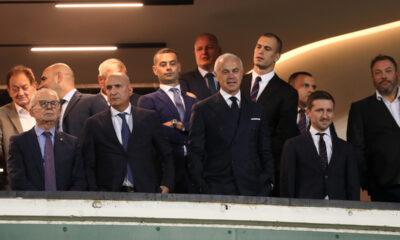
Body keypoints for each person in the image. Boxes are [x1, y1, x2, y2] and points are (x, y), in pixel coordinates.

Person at [188, 53, 274, 196]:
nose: (231, 76)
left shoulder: (257, 109)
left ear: (242, 74)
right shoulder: (202, 109)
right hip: (216, 189)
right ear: (216, 75)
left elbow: (265, 150)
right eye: (225, 71)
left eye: (235, 71)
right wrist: (202, 186)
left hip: (253, 188)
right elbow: (195, 152)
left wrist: (269, 182)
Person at [82, 72, 174, 193]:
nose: (113, 92)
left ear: (130, 90)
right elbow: (88, 163)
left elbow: (166, 154)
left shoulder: (149, 118)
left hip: (147, 192)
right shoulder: (93, 123)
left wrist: (166, 184)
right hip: (109, 195)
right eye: (109, 87)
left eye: (118, 86)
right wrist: (95, 191)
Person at [241, 33, 298, 195]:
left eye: (267, 49)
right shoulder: (236, 83)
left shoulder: (287, 93)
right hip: (232, 170)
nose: (260, 51)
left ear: (277, 56)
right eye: (258, 46)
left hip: (263, 171)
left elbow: (283, 136)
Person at [138, 48, 198, 193]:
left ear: (179, 66)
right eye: (163, 64)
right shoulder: (147, 100)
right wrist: (189, 129)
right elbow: (151, 135)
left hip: (194, 171)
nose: (168, 67)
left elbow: (201, 131)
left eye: (172, 63)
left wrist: (178, 125)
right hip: (164, 171)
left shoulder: (193, 100)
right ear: (155, 69)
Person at [281, 91, 359, 200]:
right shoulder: (293, 145)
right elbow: (287, 187)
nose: (325, 116)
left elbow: (353, 188)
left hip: (339, 212)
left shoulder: (346, 148)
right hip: (304, 212)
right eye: (320, 110)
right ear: (308, 112)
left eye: (329, 111)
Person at [7, 88, 86, 191]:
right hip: (31, 203)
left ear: (59, 111)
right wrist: (40, 201)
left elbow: (80, 180)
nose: (49, 107)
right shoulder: (19, 142)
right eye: (43, 103)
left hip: (66, 204)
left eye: (53, 103)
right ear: (31, 112)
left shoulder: (73, 143)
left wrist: (65, 202)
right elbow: (17, 178)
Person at [347, 55, 400, 202]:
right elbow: (356, 148)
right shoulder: (361, 108)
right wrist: (368, 183)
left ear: (397, 73)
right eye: (378, 72)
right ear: (372, 77)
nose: (384, 76)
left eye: (388, 71)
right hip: (384, 187)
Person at [0, 65, 37, 190]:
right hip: (15, 189)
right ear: (9, 91)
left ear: (34, 86)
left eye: (24, 87)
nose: (20, 93)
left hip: (49, 186)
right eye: (15, 89)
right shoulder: (1, 115)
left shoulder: (49, 111)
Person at [39, 63, 99, 138]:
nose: (40, 85)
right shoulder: (52, 109)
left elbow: (105, 138)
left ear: (59, 77)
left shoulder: (93, 101)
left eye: (44, 79)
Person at [180, 33, 222, 100]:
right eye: (199, 49)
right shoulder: (183, 81)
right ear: (195, 53)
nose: (204, 52)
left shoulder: (229, 78)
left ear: (219, 51)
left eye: (209, 48)